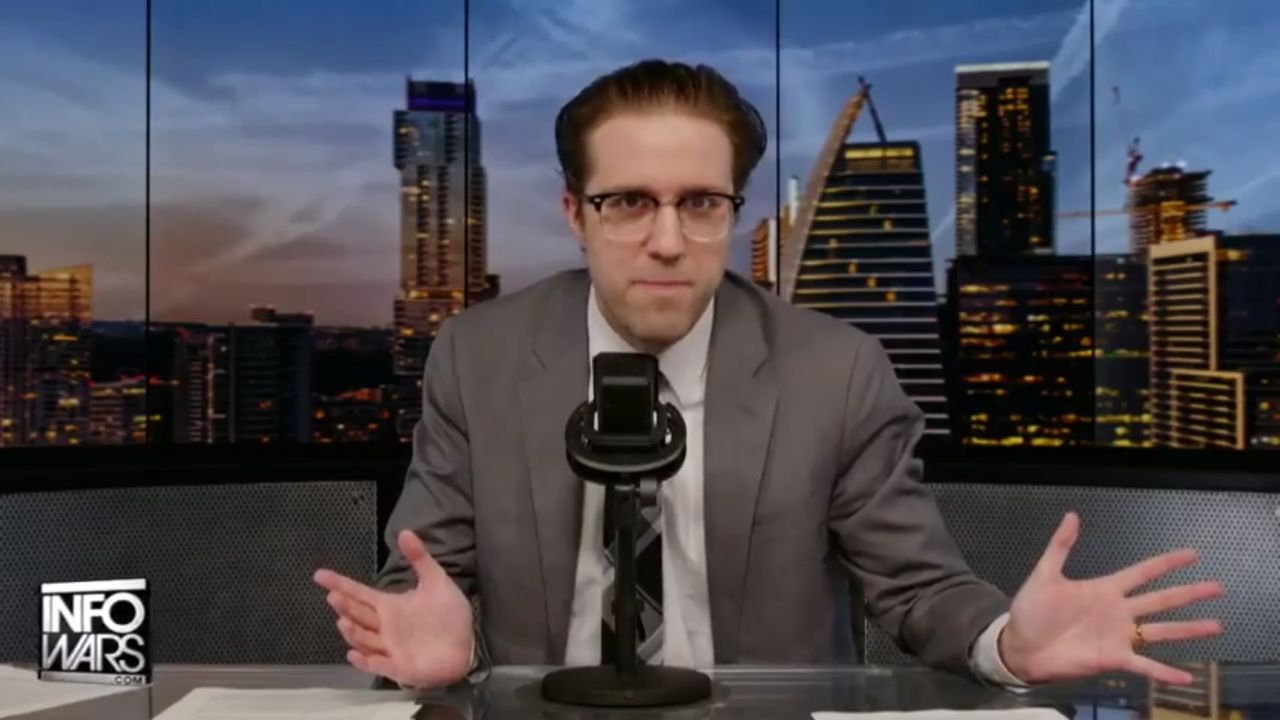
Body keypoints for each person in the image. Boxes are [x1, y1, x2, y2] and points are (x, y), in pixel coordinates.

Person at [313, 59, 1224, 690]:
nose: (667, 240)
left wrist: (1005, 645)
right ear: (574, 213)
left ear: (733, 211)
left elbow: (919, 589)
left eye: (700, 203)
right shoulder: (477, 356)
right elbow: (424, 582)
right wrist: (450, 648)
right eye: (628, 202)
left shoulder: (837, 370)